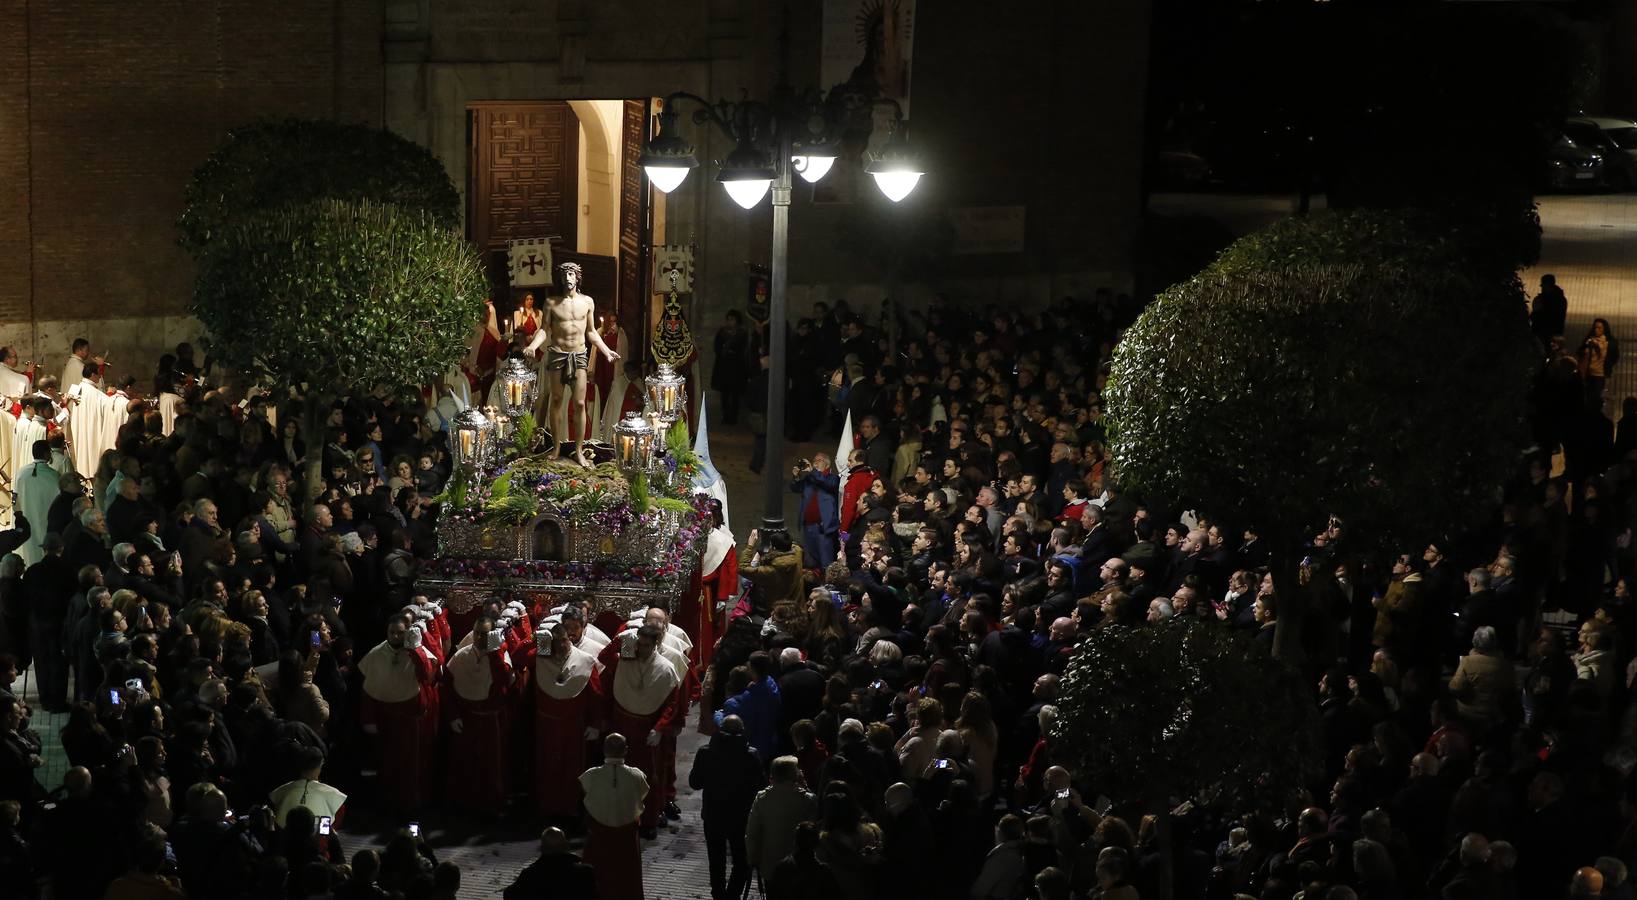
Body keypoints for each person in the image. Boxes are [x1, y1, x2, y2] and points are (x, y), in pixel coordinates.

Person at [524, 262, 619, 467]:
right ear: (561, 278)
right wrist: (532, 346)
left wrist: (606, 351)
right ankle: (557, 447)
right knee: (557, 400)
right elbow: (544, 330)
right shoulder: (551, 302)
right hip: (558, 355)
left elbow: (592, 332)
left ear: (577, 277)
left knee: (580, 403)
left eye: (571, 274)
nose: (568, 277)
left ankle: (578, 449)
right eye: (565, 274)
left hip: (579, 355)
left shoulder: (587, 302)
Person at [597, 624, 683, 838]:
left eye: (646, 645)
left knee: (647, 777)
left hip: (646, 730)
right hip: (622, 725)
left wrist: (659, 728)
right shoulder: (625, 658)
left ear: (655, 644)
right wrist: (618, 640)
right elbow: (604, 657)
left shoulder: (665, 667)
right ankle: (621, 816)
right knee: (620, 773)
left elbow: (671, 704)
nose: (641, 649)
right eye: (639, 643)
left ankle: (648, 820)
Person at [358, 616, 439, 812]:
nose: (395, 636)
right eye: (391, 632)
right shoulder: (376, 654)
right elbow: (368, 690)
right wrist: (369, 720)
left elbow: (427, 676)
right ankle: (388, 803)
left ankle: (412, 804)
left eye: (400, 633)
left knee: (412, 767)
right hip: (386, 720)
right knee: (388, 766)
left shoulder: (416, 651)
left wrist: (417, 649)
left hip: (410, 721)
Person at [441, 615, 514, 816]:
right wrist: (453, 716)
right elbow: (447, 689)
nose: (480, 638)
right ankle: (464, 806)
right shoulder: (461, 656)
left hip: (492, 721)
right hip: (467, 718)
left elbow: (503, 684)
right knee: (465, 763)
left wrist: (494, 653)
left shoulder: (501, 656)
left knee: (491, 767)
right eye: (477, 633)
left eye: (485, 634)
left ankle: (490, 808)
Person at [689, 714, 766, 900]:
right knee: (741, 860)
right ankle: (732, 895)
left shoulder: (705, 752)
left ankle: (718, 895)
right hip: (740, 816)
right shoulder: (751, 754)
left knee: (716, 861)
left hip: (713, 814)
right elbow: (761, 785)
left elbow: (695, 782)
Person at [533, 621, 603, 819]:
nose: (561, 645)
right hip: (546, 724)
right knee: (547, 766)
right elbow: (520, 659)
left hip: (573, 725)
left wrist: (595, 724)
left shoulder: (585, 660)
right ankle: (547, 808)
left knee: (571, 768)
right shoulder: (540, 657)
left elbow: (596, 695)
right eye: (555, 642)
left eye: (563, 640)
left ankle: (570, 809)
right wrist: (535, 640)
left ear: (569, 639)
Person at [580, 732, 648, 900]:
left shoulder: (590, 775)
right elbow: (643, 794)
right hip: (626, 838)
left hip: (599, 836)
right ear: (626, 750)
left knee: (599, 878)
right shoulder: (637, 776)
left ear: (603, 749)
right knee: (627, 879)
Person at [503, 826, 597, 900]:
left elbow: (509, 895)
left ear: (542, 848)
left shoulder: (530, 875)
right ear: (565, 846)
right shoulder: (585, 873)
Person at [791, 452, 840, 571]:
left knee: (825, 562)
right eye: (814, 460)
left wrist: (813, 471)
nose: (816, 462)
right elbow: (796, 488)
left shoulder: (833, 479)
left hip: (823, 528)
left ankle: (827, 586)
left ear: (827, 465)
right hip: (808, 526)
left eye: (820, 460)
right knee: (809, 562)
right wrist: (796, 477)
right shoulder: (810, 478)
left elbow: (826, 484)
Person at [13, 440, 55, 567]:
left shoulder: (20, 473)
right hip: (45, 522)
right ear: (47, 454)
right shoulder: (54, 476)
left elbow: (15, 500)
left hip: (26, 520)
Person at [713, 310, 752, 425]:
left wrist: (734, 352)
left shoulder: (741, 333)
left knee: (735, 394)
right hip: (724, 366)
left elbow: (743, 349)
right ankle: (726, 416)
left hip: (736, 367)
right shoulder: (722, 332)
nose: (730, 322)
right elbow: (717, 347)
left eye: (732, 319)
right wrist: (724, 352)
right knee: (724, 394)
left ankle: (734, 417)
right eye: (729, 319)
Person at [1531, 274, 1568, 345]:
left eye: (1543, 285)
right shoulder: (1561, 299)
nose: (1542, 288)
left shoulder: (1542, 300)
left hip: (1543, 334)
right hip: (1555, 334)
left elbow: (1537, 316)